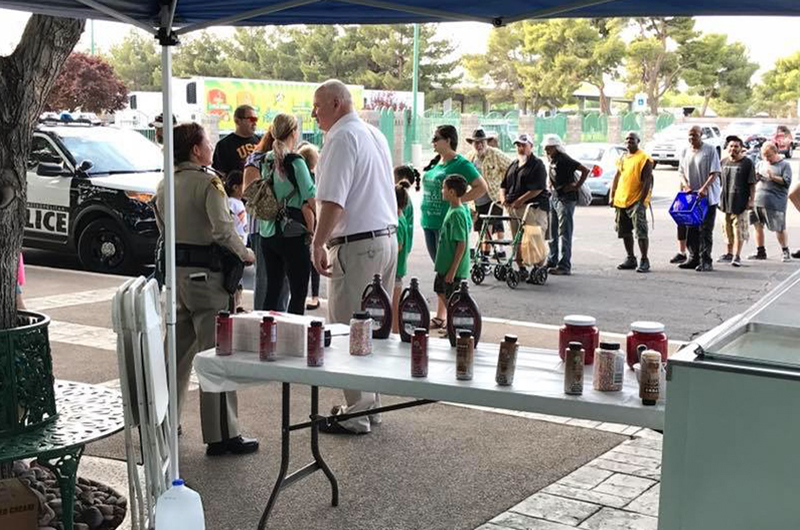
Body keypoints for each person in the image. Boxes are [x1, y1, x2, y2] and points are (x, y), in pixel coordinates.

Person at [152, 122, 258, 456]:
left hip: (178, 280)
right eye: (207, 142)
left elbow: (164, 232)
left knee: (176, 359)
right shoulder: (208, 183)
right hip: (209, 282)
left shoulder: (164, 185)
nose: (211, 147)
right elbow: (223, 231)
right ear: (196, 150)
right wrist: (246, 253)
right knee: (216, 358)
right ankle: (222, 434)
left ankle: (164, 423)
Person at [310, 79, 398, 435]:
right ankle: (369, 405)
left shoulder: (341, 137)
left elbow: (333, 200)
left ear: (336, 103)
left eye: (317, 105)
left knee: (349, 328)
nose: (314, 113)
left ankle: (356, 413)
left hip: (358, 244)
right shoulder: (373, 134)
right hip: (385, 239)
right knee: (372, 329)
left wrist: (318, 243)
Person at [421, 125, 488, 328]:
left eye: (436, 138)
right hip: (430, 222)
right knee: (440, 269)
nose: (433, 142)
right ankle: (443, 315)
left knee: (449, 271)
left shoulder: (460, 163)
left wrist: (459, 200)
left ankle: (453, 316)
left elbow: (481, 187)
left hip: (447, 225)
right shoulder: (437, 163)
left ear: (448, 140)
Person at [255, 113, 317, 314]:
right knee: (298, 294)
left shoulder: (266, 160)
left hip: (268, 232)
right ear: (294, 132)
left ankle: (267, 335)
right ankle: (291, 338)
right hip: (293, 232)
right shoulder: (295, 161)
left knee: (273, 290)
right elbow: (310, 196)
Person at [498, 133, 549, 275]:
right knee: (517, 239)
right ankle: (521, 267)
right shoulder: (514, 164)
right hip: (514, 207)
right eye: (518, 145)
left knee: (534, 237)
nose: (520, 148)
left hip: (532, 207)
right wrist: (503, 198)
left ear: (531, 147)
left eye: (523, 145)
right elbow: (503, 185)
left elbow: (538, 188)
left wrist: (520, 200)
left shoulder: (537, 164)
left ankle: (537, 267)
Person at [677, 125, 721, 272]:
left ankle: (706, 260)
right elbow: (681, 172)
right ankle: (693, 257)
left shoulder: (710, 150)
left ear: (701, 135)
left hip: (707, 197)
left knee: (705, 230)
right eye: (690, 135)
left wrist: (705, 188)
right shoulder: (685, 151)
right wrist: (686, 186)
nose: (692, 138)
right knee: (692, 228)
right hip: (691, 197)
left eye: (695, 135)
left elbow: (715, 172)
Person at [543, 134, 589, 276]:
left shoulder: (564, 159)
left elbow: (585, 170)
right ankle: (552, 259)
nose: (546, 150)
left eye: (549, 148)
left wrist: (576, 186)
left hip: (566, 199)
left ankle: (564, 265)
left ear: (556, 147)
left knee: (564, 232)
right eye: (545, 148)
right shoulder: (552, 160)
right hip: (556, 197)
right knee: (553, 230)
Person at [609, 132, 654, 273]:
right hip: (621, 200)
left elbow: (647, 181)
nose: (629, 141)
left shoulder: (645, 158)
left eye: (632, 139)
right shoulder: (623, 157)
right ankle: (630, 258)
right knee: (624, 231)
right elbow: (617, 176)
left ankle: (644, 260)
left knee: (641, 232)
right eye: (627, 139)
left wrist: (641, 201)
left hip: (636, 201)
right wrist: (612, 195)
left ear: (638, 141)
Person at [466, 128, 512, 259]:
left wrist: (504, 185)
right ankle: (483, 253)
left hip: (493, 198)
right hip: (475, 200)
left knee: (488, 228)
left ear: (486, 142)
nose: (479, 145)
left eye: (481, 142)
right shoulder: (470, 157)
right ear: (472, 144)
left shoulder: (495, 154)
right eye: (476, 143)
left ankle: (484, 256)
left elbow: (511, 167)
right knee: (479, 228)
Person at [433, 175, 472, 326]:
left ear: (452, 192)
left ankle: (457, 326)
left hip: (452, 268)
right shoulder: (453, 209)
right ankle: (451, 323)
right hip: (445, 266)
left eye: (444, 188)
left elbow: (461, 243)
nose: (442, 191)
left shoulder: (457, 213)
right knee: (440, 290)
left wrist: (452, 270)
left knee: (453, 299)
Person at [749, 141, 792, 262]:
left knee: (779, 227)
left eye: (769, 155)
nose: (767, 158)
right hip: (758, 199)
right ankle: (760, 251)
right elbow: (754, 180)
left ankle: (785, 251)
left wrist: (773, 177)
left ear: (776, 152)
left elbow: (786, 182)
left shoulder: (784, 165)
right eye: (764, 155)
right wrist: (756, 177)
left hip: (775, 201)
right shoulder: (760, 164)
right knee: (757, 225)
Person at [717, 135, 756, 267]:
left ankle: (737, 255)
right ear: (727, 148)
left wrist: (752, 200)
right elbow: (717, 182)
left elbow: (752, 184)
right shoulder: (723, 162)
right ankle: (728, 253)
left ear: (741, 148)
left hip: (740, 203)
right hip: (724, 202)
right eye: (731, 146)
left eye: (736, 146)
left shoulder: (747, 163)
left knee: (739, 231)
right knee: (726, 229)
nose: (733, 149)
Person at [298, 142, 322, 311]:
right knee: (314, 262)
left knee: (302, 263)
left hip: (298, 228)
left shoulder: (298, 176)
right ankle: (314, 296)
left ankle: (304, 295)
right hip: (312, 229)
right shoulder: (315, 179)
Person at [212, 104, 260, 176]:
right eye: (251, 119)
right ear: (237, 121)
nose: (255, 123)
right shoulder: (224, 145)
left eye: (256, 119)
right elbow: (220, 174)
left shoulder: (260, 141)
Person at [225, 170, 248, 310]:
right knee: (234, 275)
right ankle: (234, 304)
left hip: (241, 243)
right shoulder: (231, 203)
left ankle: (237, 303)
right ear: (235, 187)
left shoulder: (238, 203)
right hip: (235, 245)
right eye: (243, 185)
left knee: (239, 275)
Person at [392, 182, 412, 333]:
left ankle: (395, 331)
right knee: (395, 303)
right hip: (399, 267)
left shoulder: (397, 221)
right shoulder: (402, 217)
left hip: (395, 268)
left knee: (394, 304)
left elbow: (397, 246)